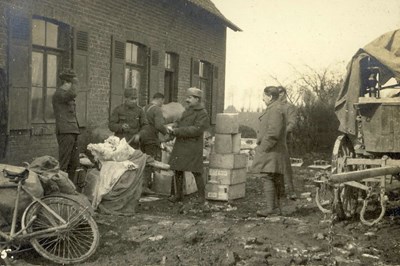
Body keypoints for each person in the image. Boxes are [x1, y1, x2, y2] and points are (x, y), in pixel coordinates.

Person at [251, 86, 290, 217]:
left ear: (270, 97)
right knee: (274, 177)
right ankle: (276, 208)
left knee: (267, 176)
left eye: (264, 96)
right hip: (274, 150)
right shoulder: (276, 108)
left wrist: (262, 148)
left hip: (272, 150)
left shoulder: (275, 109)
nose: (262, 98)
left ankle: (271, 209)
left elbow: (273, 133)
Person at [167, 87, 209, 203]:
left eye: (189, 97)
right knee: (177, 169)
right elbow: (180, 122)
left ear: (197, 99)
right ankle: (178, 195)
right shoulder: (187, 111)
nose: (187, 100)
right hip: (181, 144)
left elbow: (196, 130)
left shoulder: (202, 113)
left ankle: (201, 197)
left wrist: (177, 131)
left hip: (193, 146)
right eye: (187, 97)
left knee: (196, 171)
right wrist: (174, 126)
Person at [52, 69, 80, 183]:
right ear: (65, 83)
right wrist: (75, 83)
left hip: (73, 131)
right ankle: (61, 187)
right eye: (70, 83)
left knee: (74, 163)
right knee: (64, 162)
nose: (71, 86)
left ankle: (70, 186)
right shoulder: (59, 94)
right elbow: (73, 93)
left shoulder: (67, 96)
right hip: (65, 131)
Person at [141, 92, 168, 194]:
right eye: (162, 101)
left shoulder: (144, 108)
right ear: (160, 99)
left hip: (142, 138)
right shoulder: (157, 109)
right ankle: (145, 186)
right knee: (150, 160)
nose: (162, 104)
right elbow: (159, 125)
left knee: (143, 161)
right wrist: (166, 132)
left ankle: (142, 185)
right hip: (151, 138)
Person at [278, 86, 297, 200]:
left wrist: (282, 133)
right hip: (274, 139)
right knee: (275, 165)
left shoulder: (290, 107)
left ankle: (291, 191)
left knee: (285, 166)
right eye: (277, 93)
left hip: (285, 139)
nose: (279, 95)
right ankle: (280, 192)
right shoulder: (274, 107)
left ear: (284, 93)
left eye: (281, 93)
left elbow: (292, 123)